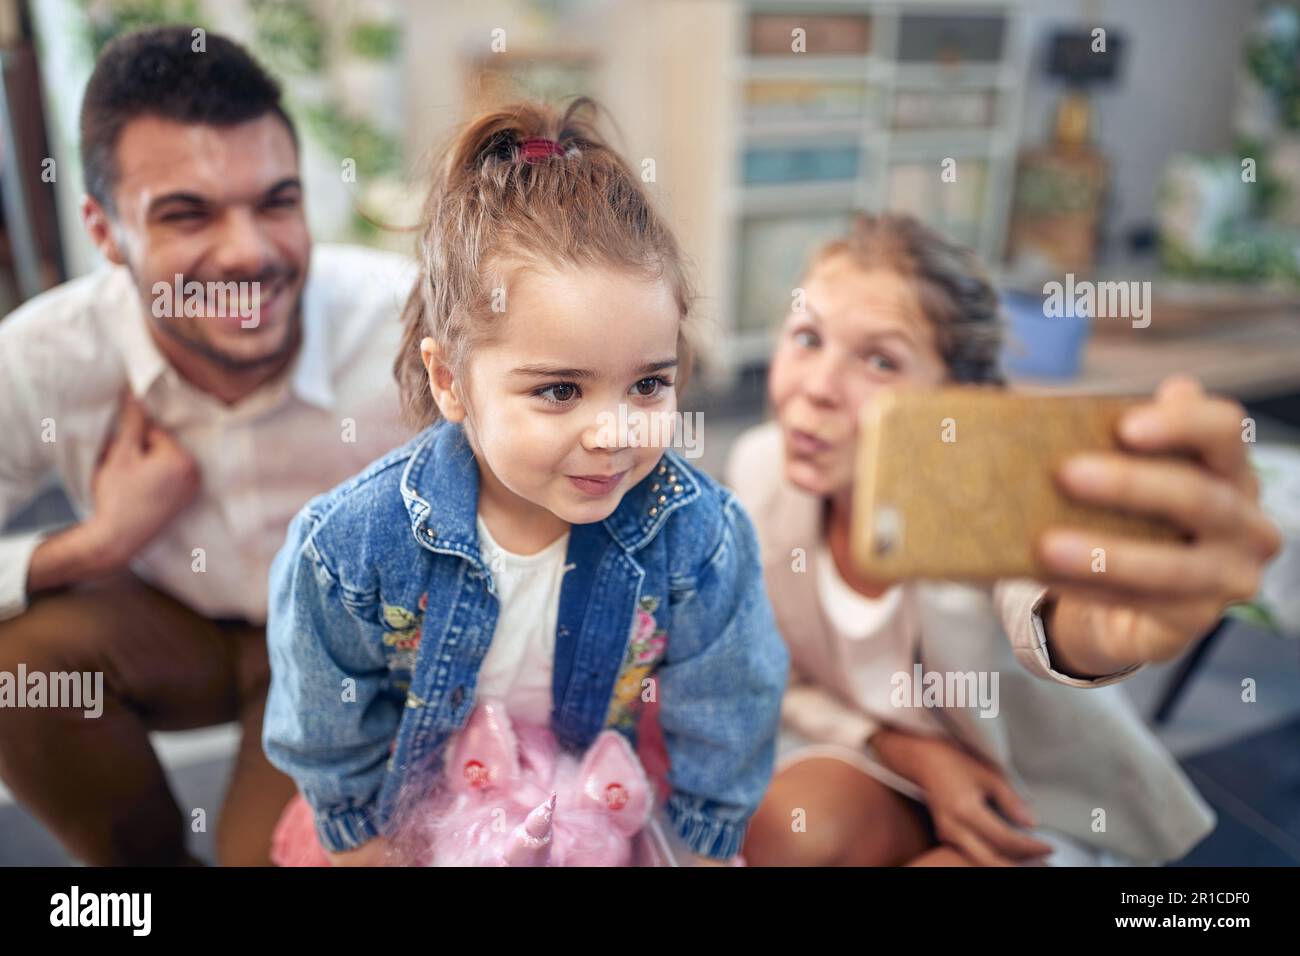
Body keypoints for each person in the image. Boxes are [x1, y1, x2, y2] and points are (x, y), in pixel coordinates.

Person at [262, 99, 789, 866]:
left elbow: (728, 709)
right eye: (560, 391)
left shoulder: (700, 536)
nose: (614, 433)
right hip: (408, 809)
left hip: (594, 802)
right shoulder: (352, 542)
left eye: (648, 385)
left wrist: (705, 847)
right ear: (450, 380)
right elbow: (325, 716)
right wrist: (360, 843)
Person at [732, 213, 1283, 866]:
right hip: (885, 759)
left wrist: (1098, 632)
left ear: (956, 399)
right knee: (783, 833)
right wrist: (909, 751)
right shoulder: (762, 469)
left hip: (1029, 794)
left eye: (880, 359)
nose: (817, 387)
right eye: (807, 337)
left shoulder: (985, 496)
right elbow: (778, 677)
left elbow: (1046, 607)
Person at [0, 25, 413, 865]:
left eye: (277, 202)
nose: (249, 253)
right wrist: (96, 544)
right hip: (165, 623)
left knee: (280, 856)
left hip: (349, 647)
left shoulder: (406, 328)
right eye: (187, 214)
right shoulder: (46, 355)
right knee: (16, 669)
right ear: (105, 231)